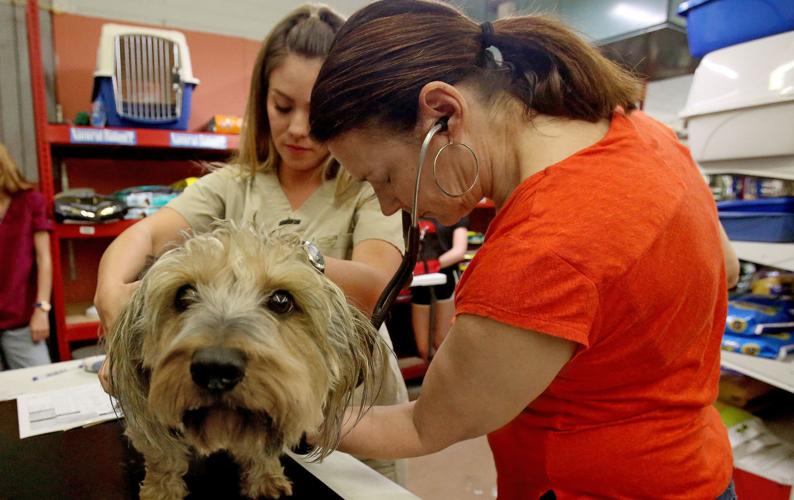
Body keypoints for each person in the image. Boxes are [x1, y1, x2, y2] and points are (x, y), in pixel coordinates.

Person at [308, 1, 741, 498]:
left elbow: (423, 426)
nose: (388, 206)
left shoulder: (540, 253)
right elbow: (724, 268)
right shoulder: (644, 133)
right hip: (700, 472)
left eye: (384, 177)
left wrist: (289, 416)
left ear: (444, 113)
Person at [95, 4, 408, 482]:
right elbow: (143, 234)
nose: (299, 128)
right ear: (261, 100)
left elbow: (373, 287)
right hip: (249, 408)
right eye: (283, 106)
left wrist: (291, 263)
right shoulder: (232, 185)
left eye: (318, 111)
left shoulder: (367, 185)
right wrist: (113, 295)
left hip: (354, 408)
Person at [0, 143, 53, 370]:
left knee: (42, 389)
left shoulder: (29, 201)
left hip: (21, 319)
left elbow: (44, 260)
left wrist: (41, 309)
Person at [411, 216, 468, 360]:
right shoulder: (415, 212)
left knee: (441, 341)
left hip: (446, 279)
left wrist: (432, 266)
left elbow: (459, 251)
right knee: (423, 348)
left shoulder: (456, 213)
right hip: (419, 282)